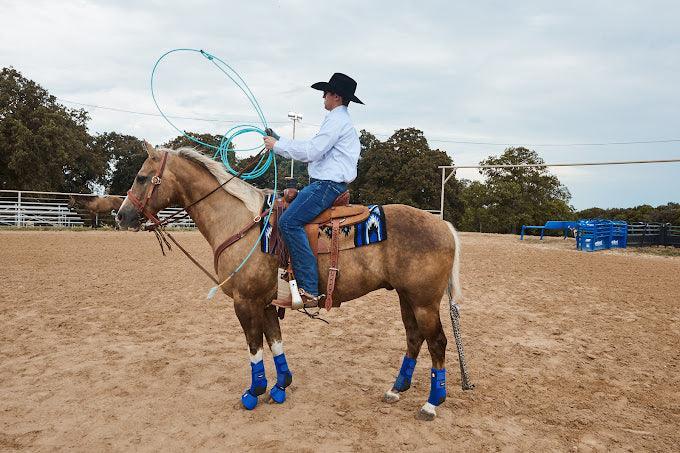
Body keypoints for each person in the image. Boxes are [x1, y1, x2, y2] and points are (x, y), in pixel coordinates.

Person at [263, 72, 364, 307]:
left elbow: (312, 152)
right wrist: (281, 140)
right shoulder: (339, 120)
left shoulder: (336, 121)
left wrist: (277, 146)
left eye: (325, 93)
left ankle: (308, 287)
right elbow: (311, 147)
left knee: (288, 222)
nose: (323, 98)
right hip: (328, 183)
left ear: (336, 96)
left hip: (326, 185)